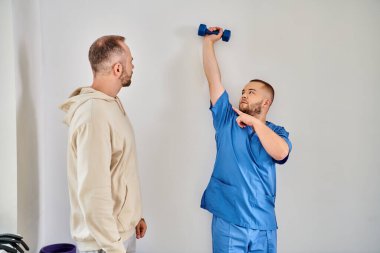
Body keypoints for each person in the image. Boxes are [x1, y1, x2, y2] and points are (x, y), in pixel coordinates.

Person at [200, 27, 292, 253]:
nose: (243, 94)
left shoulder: (277, 132)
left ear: (266, 103)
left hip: (264, 226)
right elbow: (213, 79)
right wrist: (208, 43)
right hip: (229, 220)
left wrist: (256, 124)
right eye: (243, 90)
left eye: (251, 92)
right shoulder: (226, 118)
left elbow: (281, 153)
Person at [60, 35, 147, 253]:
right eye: (130, 60)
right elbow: (93, 193)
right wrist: (115, 248)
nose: (133, 65)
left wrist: (133, 216)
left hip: (118, 234)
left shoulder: (110, 104)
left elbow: (120, 169)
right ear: (118, 69)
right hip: (105, 245)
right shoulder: (93, 115)